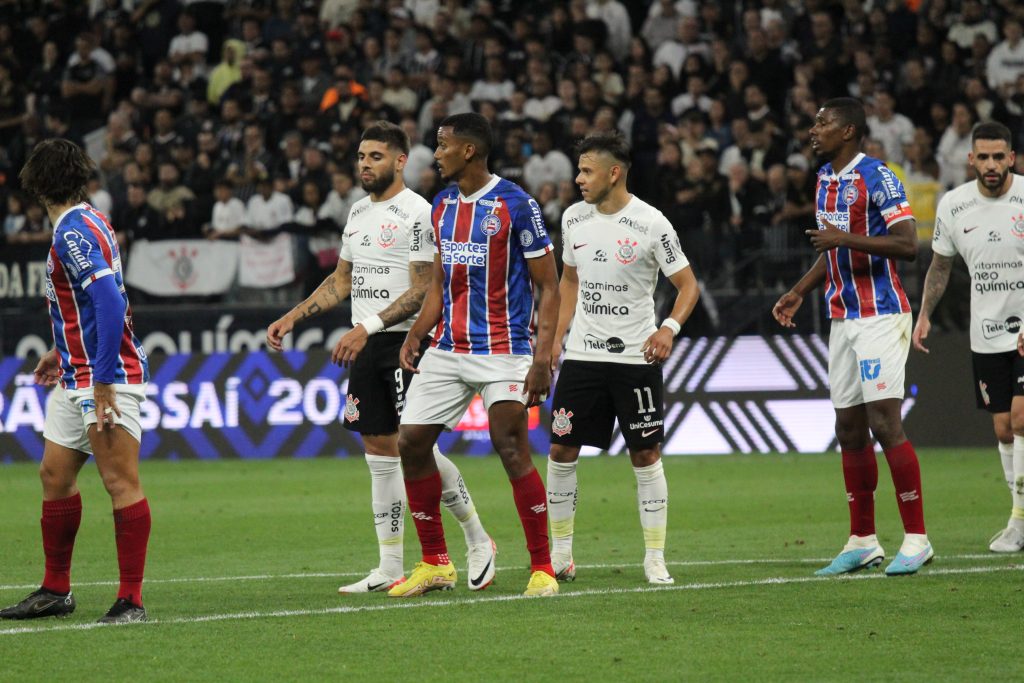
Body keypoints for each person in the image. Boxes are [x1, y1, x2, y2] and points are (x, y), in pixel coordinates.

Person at [267, 122, 496, 593]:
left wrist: (367, 326)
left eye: (375, 156)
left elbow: (422, 289)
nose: (365, 164)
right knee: (378, 451)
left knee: (416, 448)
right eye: (361, 156)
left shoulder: (418, 213)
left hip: (404, 343)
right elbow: (342, 281)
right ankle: (390, 565)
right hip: (367, 344)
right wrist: (293, 316)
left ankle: (478, 539)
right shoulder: (356, 213)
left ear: (399, 161)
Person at [389, 112, 561, 598]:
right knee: (411, 443)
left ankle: (542, 568)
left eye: (442, 145)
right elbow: (440, 285)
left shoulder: (515, 205)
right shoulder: (441, 206)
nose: (435, 152)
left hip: (505, 348)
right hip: (449, 346)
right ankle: (435, 562)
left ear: (468, 150)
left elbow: (549, 286)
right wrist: (416, 334)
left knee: (510, 445)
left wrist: (543, 357)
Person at [772, 98, 934, 576]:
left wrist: (843, 240)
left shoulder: (877, 177)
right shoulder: (826, 180)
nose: (813, 130)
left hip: (881, 314)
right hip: (841, 317)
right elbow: (832, 251)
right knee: (848, 428)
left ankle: (917, 538)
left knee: (885, 423)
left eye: (823, 123)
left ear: (848, 132)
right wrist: (800, 290)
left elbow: (907, 243)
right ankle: (863, 539)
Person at [0, 139, 151, 623]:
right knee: (54, 475)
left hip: (101, 377)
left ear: (35, 184)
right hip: (76, 371)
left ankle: (131, 600)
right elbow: (92, 304)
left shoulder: (72, 233)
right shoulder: (88, 220)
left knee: (118, 481)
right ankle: (55, 590)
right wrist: (61, 349)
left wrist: (103, 379)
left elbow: (109, 302)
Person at [545, 132, 700, 585]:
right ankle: (561, 554)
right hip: (583, 356)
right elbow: (569, 281)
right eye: (578, 170)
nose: (578, 179)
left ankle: (654, 557)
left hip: (635, 358)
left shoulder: (652, 223)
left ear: (614, 173)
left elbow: (688, 286)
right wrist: (556, 337)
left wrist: (668, 328)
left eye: (586, 171)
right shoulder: (573, 218)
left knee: (645, 452)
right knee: (560, 448)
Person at [913, 121, 1024, 553]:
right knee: (1002, 429)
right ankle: (1018, 514)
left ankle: (1018, 522)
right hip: (987, 333)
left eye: (1000, 157)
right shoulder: (954, 206)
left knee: (1019, 419)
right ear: (971, 159)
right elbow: (940, 267)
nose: (992, 165)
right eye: (985, 157)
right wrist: (924, 314)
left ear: (1011, 158)